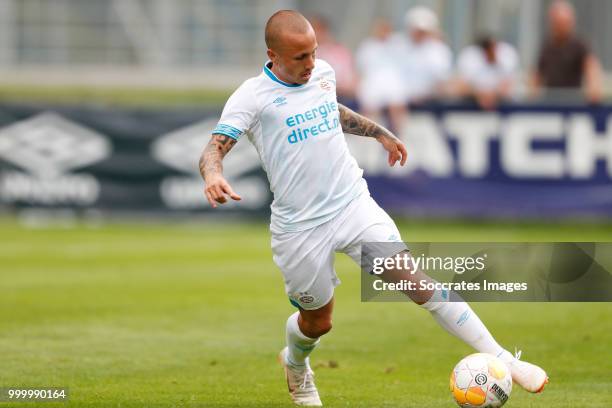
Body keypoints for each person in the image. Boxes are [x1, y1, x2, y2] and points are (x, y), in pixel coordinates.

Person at [199, 10, 548, 407]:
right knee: (318, 322)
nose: (310, 64)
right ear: (272, 54)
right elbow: (214, 148)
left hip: (352, 205)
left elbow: (332, 112)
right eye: (300, 58)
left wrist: (379, 133)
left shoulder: (323, 73)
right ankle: (296, 363)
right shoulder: (252, 96)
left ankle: (503, 357)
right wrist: (213, 175)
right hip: (300, 228)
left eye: (313, 53)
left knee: (416, 282)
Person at [531, 0, 603, 103]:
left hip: (573, 104)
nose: (561, 27)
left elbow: (591, 67)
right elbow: (537, 75)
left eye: (564, 23)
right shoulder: (547, 47)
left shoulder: (580, 45)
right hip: (551, 103)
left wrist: (594, 88)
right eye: (557, 23)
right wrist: (533, 97)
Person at [391, 6, 453, 104]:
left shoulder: (439, 50)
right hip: (397, 101)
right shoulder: (396, 45)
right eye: (416, 30)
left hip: (429, 103)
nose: (419, 34)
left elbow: (441, 80)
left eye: (423, 31)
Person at [355, 18, 407, 133]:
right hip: (373, 83)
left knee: (397, 104)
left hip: (392, 82)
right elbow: (361, 70)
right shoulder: (367, 47)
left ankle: (398, 134)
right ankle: (367, 136)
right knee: (370, 109)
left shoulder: (399, 44)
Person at [456, 34, 519, 110]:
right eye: (491, 49)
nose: (494, 53)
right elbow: (461, 87)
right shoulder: (470, 58)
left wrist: (492, 96)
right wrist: (480, 95)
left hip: (503, 106)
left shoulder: (507, 55)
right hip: (472, 106)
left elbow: (508, 85)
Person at [309, 14, 358, 108]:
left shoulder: (340, 50)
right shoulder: (307, 54)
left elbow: (352, 80)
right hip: (319, 97)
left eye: (317, 29)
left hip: (342, 96)